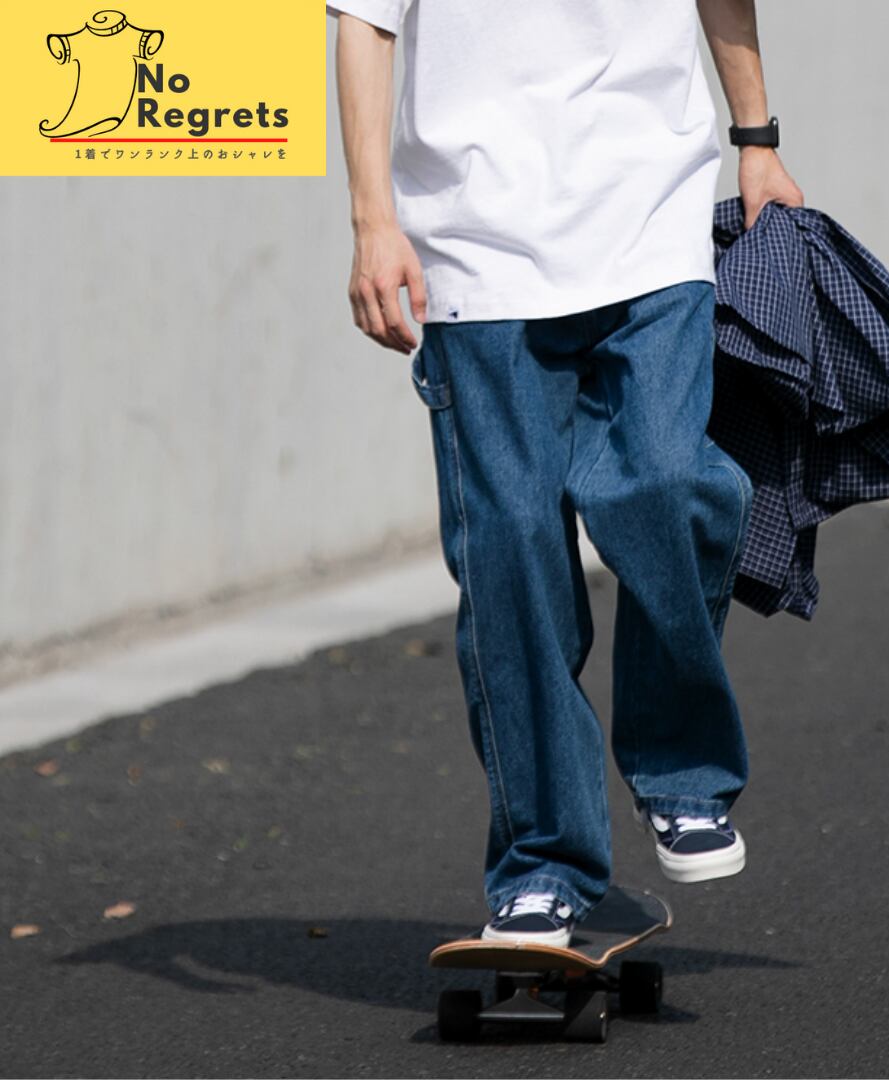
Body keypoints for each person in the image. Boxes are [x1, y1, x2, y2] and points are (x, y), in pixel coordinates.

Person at [328, 0, 804, 947]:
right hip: (476, 247)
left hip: (650, 214)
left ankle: (679, 772)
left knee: (669, 483)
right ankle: (543, 862)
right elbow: (363, 23)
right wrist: (374, 221)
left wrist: (756, 139)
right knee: (512, 555)